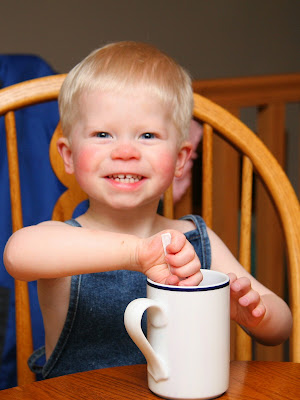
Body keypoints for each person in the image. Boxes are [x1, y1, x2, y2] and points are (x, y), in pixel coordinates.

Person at [4, 41, 292, 380]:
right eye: (102, 134)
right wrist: (136, 254)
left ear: (181, 159)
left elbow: (282, 326)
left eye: (148, 135)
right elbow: (17, 254)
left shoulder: (195, 239)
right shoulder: (63, 241)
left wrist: (253, 315)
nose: (125, 151)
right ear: (68, 155)